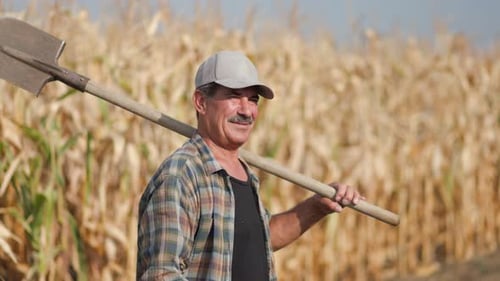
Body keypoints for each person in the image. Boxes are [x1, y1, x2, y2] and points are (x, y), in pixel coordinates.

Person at [136, 50, 364, 280]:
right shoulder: (182, 175)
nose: (246, 110)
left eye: (253, 99)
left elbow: (259, 238)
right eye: (234, 97)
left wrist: (317, 206)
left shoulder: (243, 173)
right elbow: (162, 274)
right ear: (201, 102)